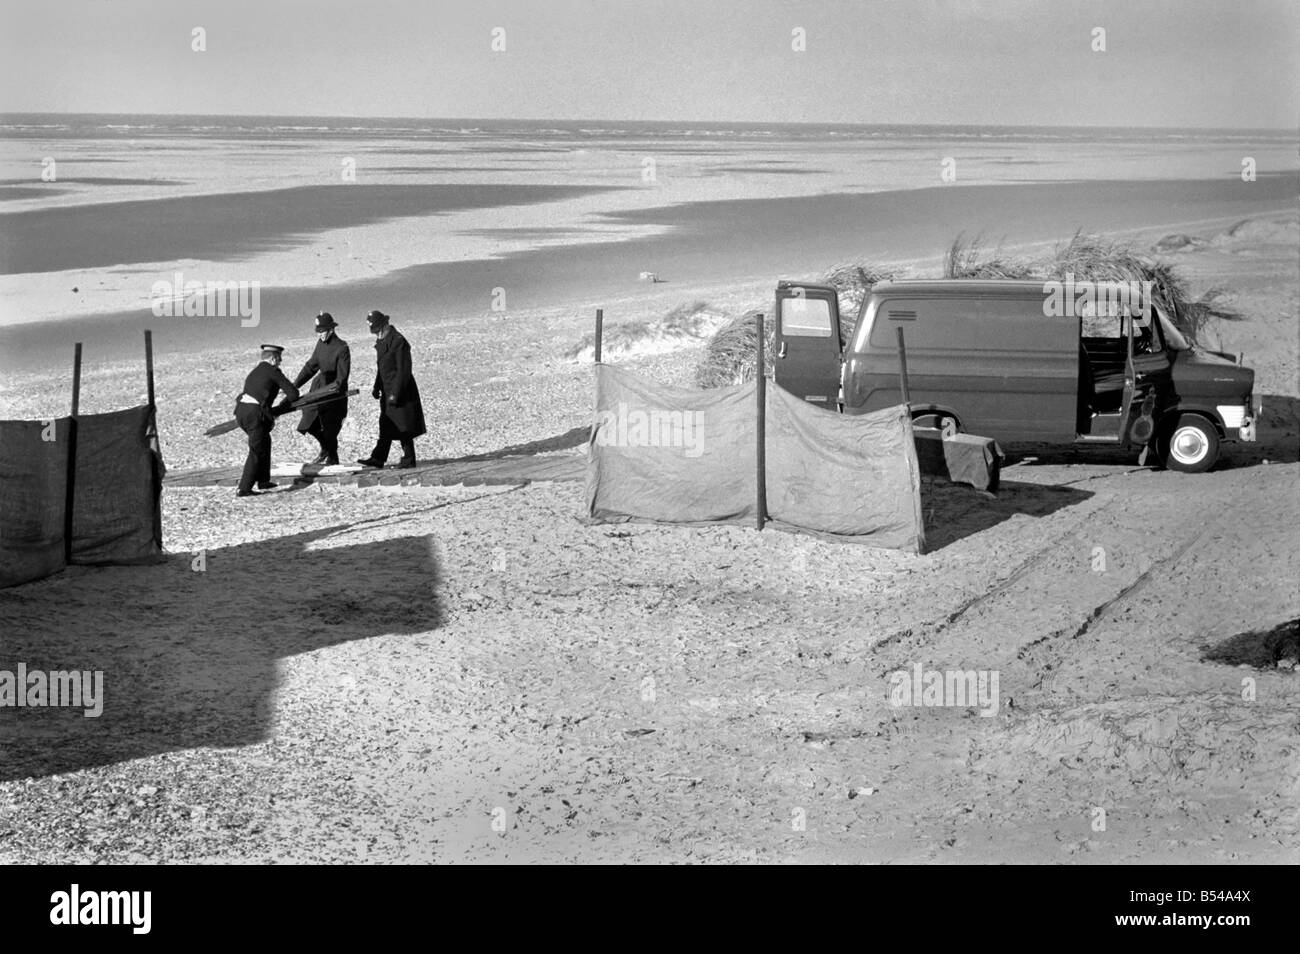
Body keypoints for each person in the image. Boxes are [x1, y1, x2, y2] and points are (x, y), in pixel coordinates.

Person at [356, 310, 425, 469]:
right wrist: (376, 386)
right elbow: (382, 368)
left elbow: (403, 371)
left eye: (377, 330)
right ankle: (378, 458)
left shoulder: (398, 341)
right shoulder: (382, 341)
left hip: (401, 390)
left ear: (384, 326)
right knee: (386, 423)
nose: (376, 334)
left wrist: (395, 393)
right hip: (387, 389)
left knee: (403, 425)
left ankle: (409, 459)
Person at [234, 344, 300, 497]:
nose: (280, 361)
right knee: (256, 449)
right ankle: (244, 488)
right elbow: (293, 394)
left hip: (242, 412)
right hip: (254, 415)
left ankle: (263, 480)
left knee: (265, 441)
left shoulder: (255, 371)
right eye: (279, 358)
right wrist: (279, 408)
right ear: (272, 359)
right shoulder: (273, 371)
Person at [292, 312, 351, 464]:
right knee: (310, 424)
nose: (320, 335)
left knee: (330, 430)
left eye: (323, 331)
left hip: (334, 395)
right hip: (318, 388)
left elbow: (342, 378)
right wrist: (295, 385)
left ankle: (333, 459)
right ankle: (325, 449)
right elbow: (311, 366)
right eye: (318, 332)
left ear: (331, 329)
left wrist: (330, 391)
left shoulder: (342, 348)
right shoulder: (320, 344)